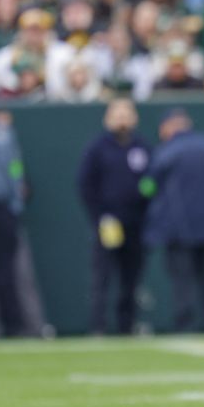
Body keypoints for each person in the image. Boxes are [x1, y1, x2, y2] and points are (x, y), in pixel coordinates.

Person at [143, 108, 204, 332]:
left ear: (168, 128)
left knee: (183, 282)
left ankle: (185, 327)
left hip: (179, 230)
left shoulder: (165, 152)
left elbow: (148, 187)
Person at [78, 98, 152, 335]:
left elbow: (152, 182)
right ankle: (98, 326)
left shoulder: (142, 146)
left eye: (125, 114)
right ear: (107, 119)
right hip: (108, 223)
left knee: (131, 279)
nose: (121, 120)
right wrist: (99, 216)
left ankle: (127, 326)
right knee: (102, 278)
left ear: (134, 118)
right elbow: (86, 185)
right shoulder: (97, 147)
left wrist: (146, 200)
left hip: (136, 223)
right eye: (117, 115)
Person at [0, 106, 26, 337]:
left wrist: (16, 203)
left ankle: (12, 326)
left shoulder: (3, 134)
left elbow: (15, 168)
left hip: (1, 207)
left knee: (6, 270)